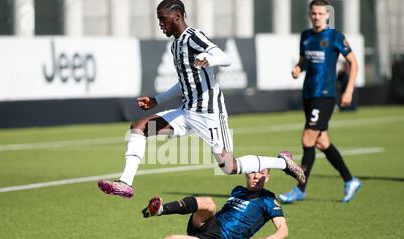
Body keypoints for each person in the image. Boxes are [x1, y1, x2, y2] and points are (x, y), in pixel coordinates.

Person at [98, 0, 305, 199]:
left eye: (163, 19)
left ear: (177, 17)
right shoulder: (175, 46)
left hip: (209, 113)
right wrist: (157, 100)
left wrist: (209, 58)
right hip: (186, 111)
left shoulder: (193, 36)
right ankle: (126, 183)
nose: (160, 24)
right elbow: (184, 82)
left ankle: (283, 163)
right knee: (140, 127)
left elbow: (225, 58)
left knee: (228, 167)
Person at [95, 169, 288, 239]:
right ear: (245, 174)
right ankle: (160, 209)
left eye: (261, 173)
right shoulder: (238, 190)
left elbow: (283, 229)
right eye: (252, 172)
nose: (255, 176)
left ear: (268, 176)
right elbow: (239, 218)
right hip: (208, 225)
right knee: (209, 203)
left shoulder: (268, 200)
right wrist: (245, 238)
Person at [279, 0, 362, 204]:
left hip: (325, 95)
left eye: (320, 13)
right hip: (308, 94)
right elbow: (304, 61)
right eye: (313, 14)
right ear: (310, 15)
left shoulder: (334, 36)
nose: (316, 17)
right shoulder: (306, 36)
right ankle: (350, 180)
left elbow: (354, 62)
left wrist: (348, 90)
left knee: (307, 140)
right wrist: (299, 68)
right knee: (321, 142)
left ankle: (300, 188)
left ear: (327, 15)